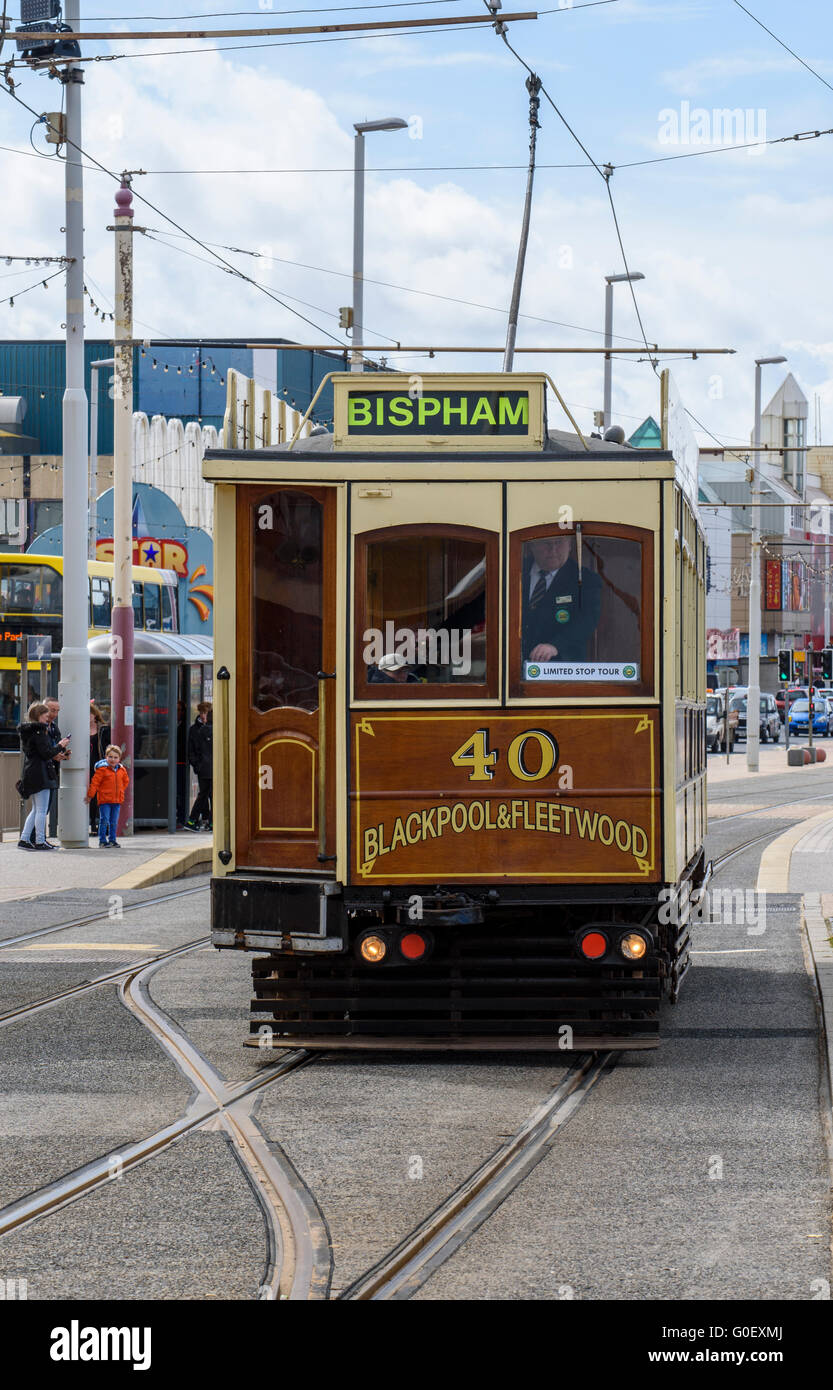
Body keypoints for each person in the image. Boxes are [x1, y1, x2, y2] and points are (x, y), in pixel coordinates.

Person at [521, 533, 602, 665]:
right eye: (547, 543)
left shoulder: (586, 580)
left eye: (558, 543)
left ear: (570, 545)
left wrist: (555, 646)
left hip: (561, 666)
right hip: (513, 666)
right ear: (533, 545)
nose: (553, 550)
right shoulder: (512, 570)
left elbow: (587, 620)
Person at [17, 702, 70, 851]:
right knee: (41, 810)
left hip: (32, 772)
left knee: (35, 809)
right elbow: (46, 753)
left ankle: (25, 839)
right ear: (39, 716)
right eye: (46, 716)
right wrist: (60, 745)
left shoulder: (29, 731)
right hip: (41, 774)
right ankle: (40, 841)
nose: (48, 719)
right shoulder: (40, 733)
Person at [85, 744, 129, 848]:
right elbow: (94, 783)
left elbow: (126, 781)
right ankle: (102, 841)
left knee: (114, 821)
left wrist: (121, 791)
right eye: (110, 757)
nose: (112, 759)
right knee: (104, 820)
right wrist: (90, 795)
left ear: (119, 759)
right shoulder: (102, 770)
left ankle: (113, 840)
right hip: (105, 800)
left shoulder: (122, 770)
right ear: (106, 757)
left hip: (117, 800)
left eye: (115, 757)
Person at [185, 701, 212, 831]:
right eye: (201, 713)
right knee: (205, 794)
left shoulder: (212, 727)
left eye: (205, 713)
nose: (202, 715)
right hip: (203, 767)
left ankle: (206, 820)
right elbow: (191, 750)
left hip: (210, 766)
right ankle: (196, 820)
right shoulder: (194, 729)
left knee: (208, 794)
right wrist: (196, 764)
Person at [88, 703, 111, 834]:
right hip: (86, 767)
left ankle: (102, 824)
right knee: (90, 796)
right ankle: (92, 824)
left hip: (100, 765)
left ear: (95, 715)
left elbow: (108, 747)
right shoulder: (80, 729)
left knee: (101, 795)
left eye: (89, 714)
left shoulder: (103, 730)